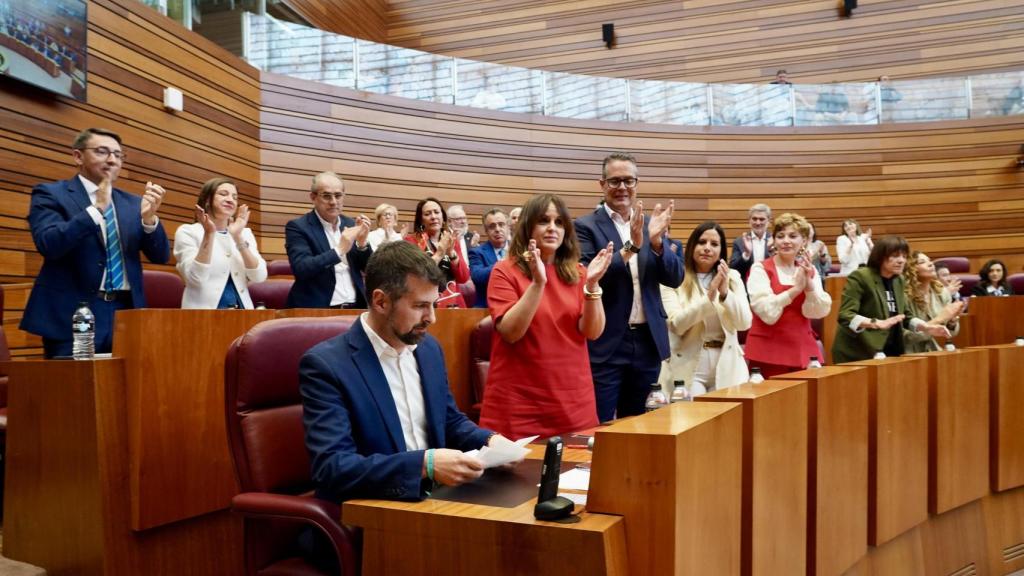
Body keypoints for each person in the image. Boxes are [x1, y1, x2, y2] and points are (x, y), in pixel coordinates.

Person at [300, 241, 512, 504]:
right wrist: (425, 464)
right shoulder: (326, 365)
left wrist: (490, 440)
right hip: (378, 509)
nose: (432, 318)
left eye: (434, 303)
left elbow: (448, 420)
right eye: (420, 305)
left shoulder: (428, 349)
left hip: (440, 500)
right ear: (380, 301)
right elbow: (333, 468)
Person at [21, 127, 170, 358]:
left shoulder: (133, 203)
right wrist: (96, 209)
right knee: (75, 388)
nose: (112, 160)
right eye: (102, 152)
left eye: (118, 155)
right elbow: (49, 244)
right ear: (78, 156)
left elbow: (160, 256)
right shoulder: (51, 194)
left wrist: (149, 220)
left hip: (125, 312)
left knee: (124, 388)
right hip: (74, 312)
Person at [480, 195, 613, 438]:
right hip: (519, 406)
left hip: (573, 404)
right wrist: (538, 283)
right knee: (517, 476)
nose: (553, 228)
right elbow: (510, 332)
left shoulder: (579, 273)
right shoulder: (504, 270)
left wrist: (592, 285)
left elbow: (592, 331)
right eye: (544, 220)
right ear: (528, 226)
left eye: (559, 222)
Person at [575, 152, 683, 421]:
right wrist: (631, 247)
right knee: (599, 425)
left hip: (647, 341)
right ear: (602, 184)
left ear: (637, 183)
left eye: (628, 181)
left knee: (641, 425)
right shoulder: (584, 227)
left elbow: (674, 278)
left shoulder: (651, 224)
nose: (622, 187)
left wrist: (657, 243)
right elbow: (590, 276)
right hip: (607, 341)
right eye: (614, 181)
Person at [659, 221, 752, 397]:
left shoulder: (732, 277)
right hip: (690, 363)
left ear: (721, 251)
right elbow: (677, 324)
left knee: (727, 421)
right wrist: (708, 298)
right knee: (694, 420)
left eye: (714, 244)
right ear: (692, 245)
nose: (707, 248)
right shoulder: (674, 279)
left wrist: (725, 294)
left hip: (728, 362)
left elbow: (744, 323)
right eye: (702, 242)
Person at [832, 236, 950, 363]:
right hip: (858, 352)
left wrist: (926, 327)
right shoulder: (861, 276)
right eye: (895, 256)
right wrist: (876, 323)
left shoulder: (898, 280)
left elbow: (906, 316)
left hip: (890, 351)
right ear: (880, 256)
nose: (901, 261)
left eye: (904, 256)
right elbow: (845, 315)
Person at [745, 213, 832, 377]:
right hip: (767, 351)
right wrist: (795, 290)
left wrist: (809, 286)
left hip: (803, 350)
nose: (785, 241)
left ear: (804, 241)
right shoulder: (760, 269)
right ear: (774, 240)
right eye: (780, 236)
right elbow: (765, 311)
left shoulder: (810, 271)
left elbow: (818, 312)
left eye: (793, 236)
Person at [174, 177, 267, 309]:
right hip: (202, 315)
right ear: (207, 200)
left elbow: (259, 276)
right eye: (223, 194)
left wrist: (237, 237)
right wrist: (209, 234)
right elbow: (195, 279)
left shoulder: (244, 233)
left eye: (234, 197)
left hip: (243, 311)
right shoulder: (188, 232)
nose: (230, 200)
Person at [285, 172, 372, 309]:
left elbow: (369, 269)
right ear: (313, 197)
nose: (333, 202)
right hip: (317, 309)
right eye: (326, 196)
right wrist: (339, 250)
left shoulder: (350, 223)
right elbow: (301, 268)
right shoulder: (298, 227)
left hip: (356, 307)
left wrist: (362, 244)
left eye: (338, 195)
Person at [405, 197, 470, 303]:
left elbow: (463, 278)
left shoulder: (451, 240)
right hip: (424, 301)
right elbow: (417, 276)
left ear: (443, 217)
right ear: (421, 220)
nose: (433, 217)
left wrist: (451, 254)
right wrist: (439, 253)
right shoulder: (411, 241)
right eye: (427, 214)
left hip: (452, 301)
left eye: (436, 212)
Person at [902, 251, 963, 353]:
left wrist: (951, 322)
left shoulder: (941, 292)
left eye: (930, 261)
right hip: (908, 354)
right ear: (910, 269)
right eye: (922, 262)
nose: (931, 264)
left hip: (933, 350)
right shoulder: (904, 296)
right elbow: (907, 338)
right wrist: (940, 319)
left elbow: (950, 334)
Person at [468, 208, 509, 309]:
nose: (497, 229)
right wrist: (503, 263)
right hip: (487, 307)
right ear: (486, 231)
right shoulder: (477, 252)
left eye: (501, 224)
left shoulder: (519, 251)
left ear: (508, 227)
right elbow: (477, 277)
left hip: (517, 306)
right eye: (492, 226)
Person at [729, 203, 774, 281]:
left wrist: (772, 253)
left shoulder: (775, 241)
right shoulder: (739, 242)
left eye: (762, 219)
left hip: (771, 286)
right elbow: (733, 269)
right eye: (754, 219)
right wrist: (746, 255)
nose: (758, 223)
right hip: (747, 288)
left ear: (769, 221)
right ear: (749, 220)